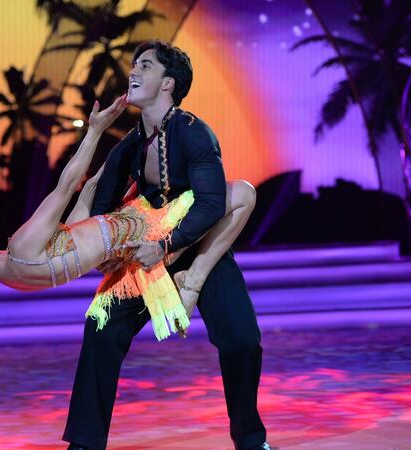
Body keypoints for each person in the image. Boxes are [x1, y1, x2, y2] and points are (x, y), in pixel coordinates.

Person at [0, 91, 258, 405]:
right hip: (145, 232)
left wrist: (98, 181)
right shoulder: (19, 247)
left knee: (148, 169)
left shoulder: (13, 276)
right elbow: (64, 188)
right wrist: (94, 132)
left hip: (122, 241)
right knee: (242, 194)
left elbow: (73, 233)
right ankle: (193, 280)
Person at [63, 40, 269, 450]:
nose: (133, 72)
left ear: (168, 84)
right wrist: (107, 251)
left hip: (194, 243)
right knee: (100, 327)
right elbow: (103, 204)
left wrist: (169, 246)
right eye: (133, 65)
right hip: (146, 249)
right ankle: (84, 443)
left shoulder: (194, 133)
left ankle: (250, 440)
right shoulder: (131, 144)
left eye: (145, 66)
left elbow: (211, 203)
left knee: (242, 338)